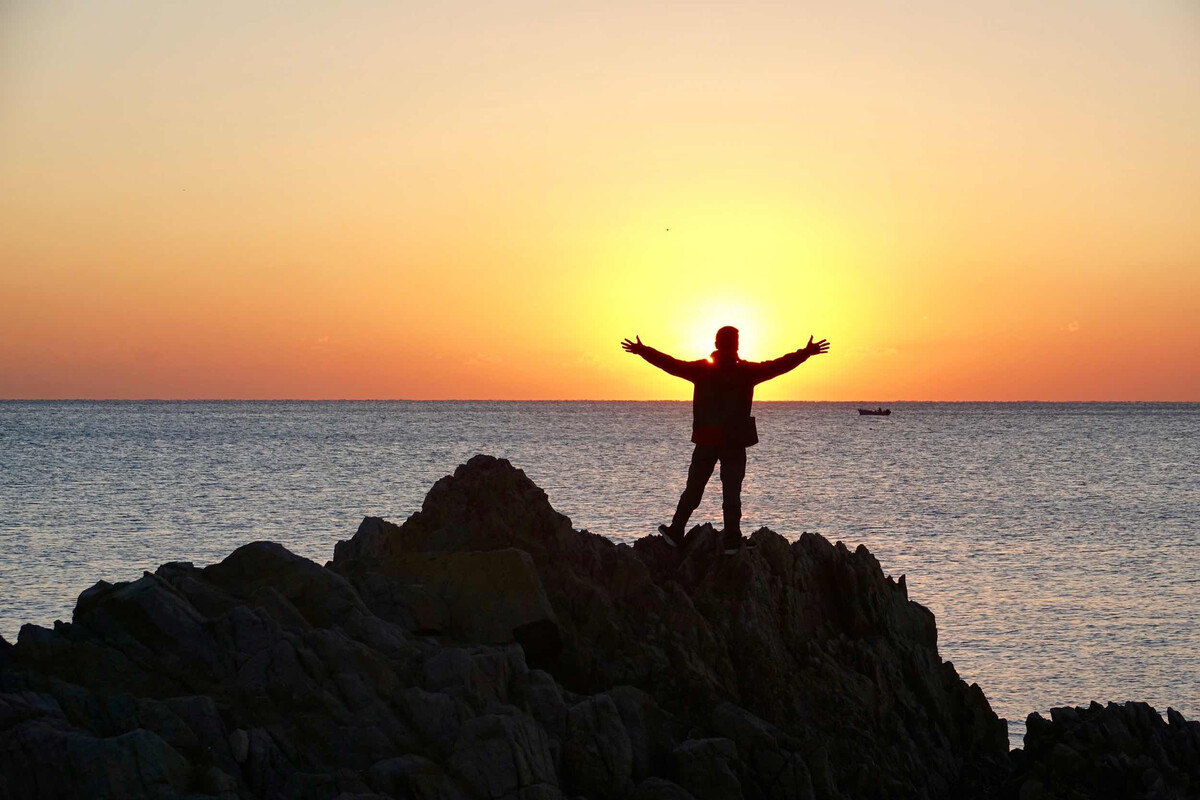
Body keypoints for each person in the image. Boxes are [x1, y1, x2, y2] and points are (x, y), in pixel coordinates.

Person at [621, 326, 830, 553]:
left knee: (694, 489)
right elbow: (779, 366)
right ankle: (731, 540)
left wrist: (643, 351)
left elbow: (670, 364)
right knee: (732, 492)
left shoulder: (703, 370)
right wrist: (806, 353)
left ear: (716, 343)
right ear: (736, 344)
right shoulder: (746, 372)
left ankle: (676, 529)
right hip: (734, 441)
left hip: (706, 440)